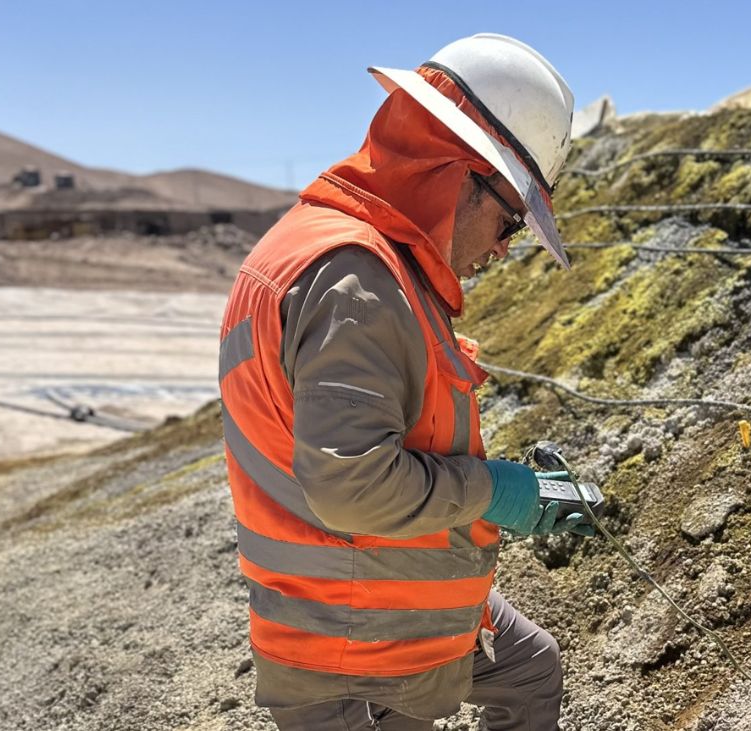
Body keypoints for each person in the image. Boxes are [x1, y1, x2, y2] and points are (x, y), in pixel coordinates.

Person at [216, 33, 594, 730]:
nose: (506, 245)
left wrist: (515, 493)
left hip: (377, 605)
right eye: (510, 218)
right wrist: (499, 492)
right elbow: (353, 486)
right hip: (354, 649)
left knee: (530, 667)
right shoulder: (354, 279)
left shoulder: (355, 258)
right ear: (458, 172)